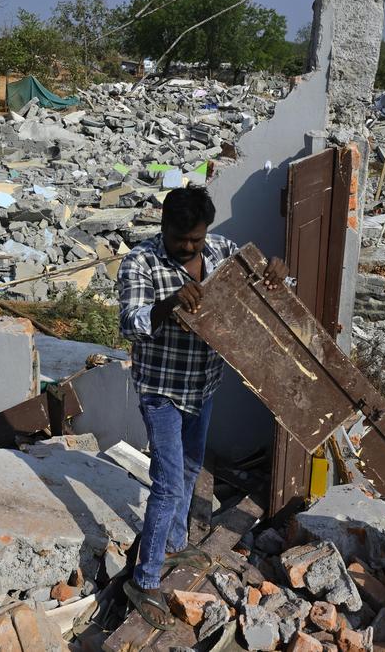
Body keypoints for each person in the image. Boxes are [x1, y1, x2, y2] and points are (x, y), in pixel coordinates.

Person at [116, 186, 286, 630]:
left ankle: (172, 543)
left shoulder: (221, 251)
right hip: (162, 390)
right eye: (180, 239)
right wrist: (168, 303)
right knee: (169, 483)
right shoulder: (141, 262)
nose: (189, 247)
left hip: (204, 385)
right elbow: (130, 325)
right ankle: (145, 577)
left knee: (191, 470)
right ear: (163, 227)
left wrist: (275, 273)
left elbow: (259, 282)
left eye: (196, 238)